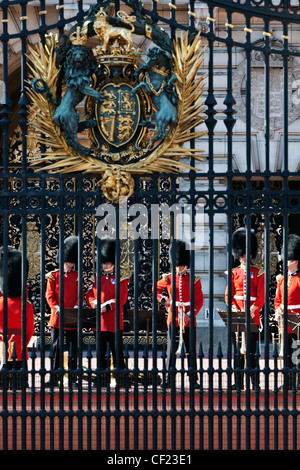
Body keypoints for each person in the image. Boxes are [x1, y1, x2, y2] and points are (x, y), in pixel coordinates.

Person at [156, 240, 203, 388]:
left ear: (186, 264)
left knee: (191, 350)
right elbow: (155, 289)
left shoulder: (194, 280)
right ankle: (168, 379)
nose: (179, 267)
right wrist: (165, 300)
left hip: (188, 319)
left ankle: (193, 380)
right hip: (174, 317)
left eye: (181, 264)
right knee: (171, 351)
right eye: (177, 264)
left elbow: (199, 300)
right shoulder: (168, 278)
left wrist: (190, 314)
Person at [225, 227, 265, 390]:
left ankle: (255, 382)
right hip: (237, 315)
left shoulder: (258, 272)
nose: (243, 257)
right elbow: (229, 295)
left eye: (246, 254)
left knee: (252, 352)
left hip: (252, 316)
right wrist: (234, 308)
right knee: (237, 353)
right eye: (241, 254)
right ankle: (239, 382)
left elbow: (261, 296)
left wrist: (253, 309)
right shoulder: (234, 273)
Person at [86, 239, 129, 382]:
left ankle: (121, 379)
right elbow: (89, 295)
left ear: (113, 263)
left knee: (117, 352)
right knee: (101, 353)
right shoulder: (95, 279)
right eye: (104, 263)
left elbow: (121, 298)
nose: (105, 265)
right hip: (99, 322)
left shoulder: (121, 280)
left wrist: (108, 306)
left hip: (114, 322)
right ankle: (102, 379)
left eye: (108, 263)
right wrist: (94, 304)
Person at [46, 235, 81, 387]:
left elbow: (79, 296)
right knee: (56, 349)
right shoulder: (53, 276)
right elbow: (49, 295)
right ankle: (54, 377)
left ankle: (73, 378)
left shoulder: (77, 276)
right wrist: (56, 307)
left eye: (73, 262)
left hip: (71, 317)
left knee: (73, 349)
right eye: (69, 261)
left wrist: (75, 307)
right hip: (58, 317)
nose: (71, 264)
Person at [0, 246, 35, 389]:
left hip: (1, 348)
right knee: (20, 389)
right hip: (19, 349)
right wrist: (22, 343)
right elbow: (30, 330)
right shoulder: (25, 306)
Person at [275, 233, 300, 390]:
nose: (286, 262)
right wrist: (278, 309)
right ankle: (288, 382)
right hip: (285, 322)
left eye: (289, 260)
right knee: (286, 354)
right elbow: (278, 299)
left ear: (296, 261)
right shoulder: (283, 279)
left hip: (297, 321)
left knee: (298, 354)